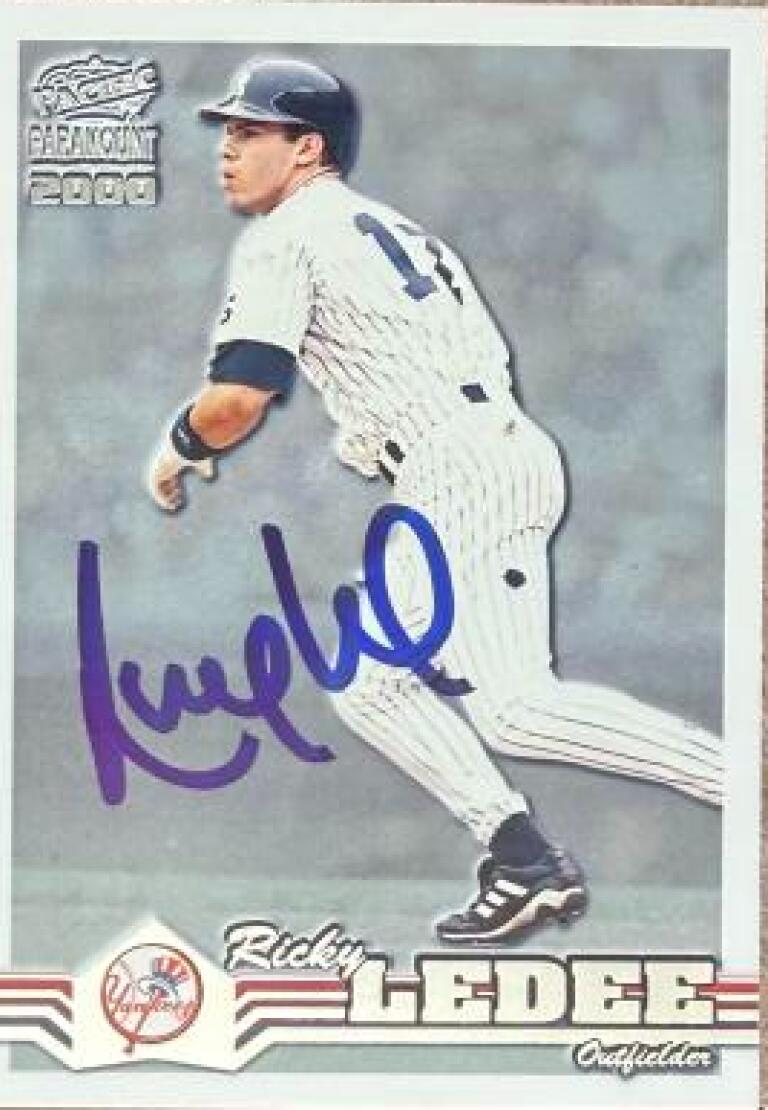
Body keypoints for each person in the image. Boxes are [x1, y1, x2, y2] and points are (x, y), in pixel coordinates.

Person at [148, 57, 723, 944]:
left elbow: (238, 399)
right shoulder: (392, 228)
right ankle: (523, 858)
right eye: (228, 132)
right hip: (478, 450)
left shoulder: (286, 235)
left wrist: (181, 447)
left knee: (515, 707)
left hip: (462, 465)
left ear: (308, 149)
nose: (228, 149)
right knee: (368, 681)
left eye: (251, 132)